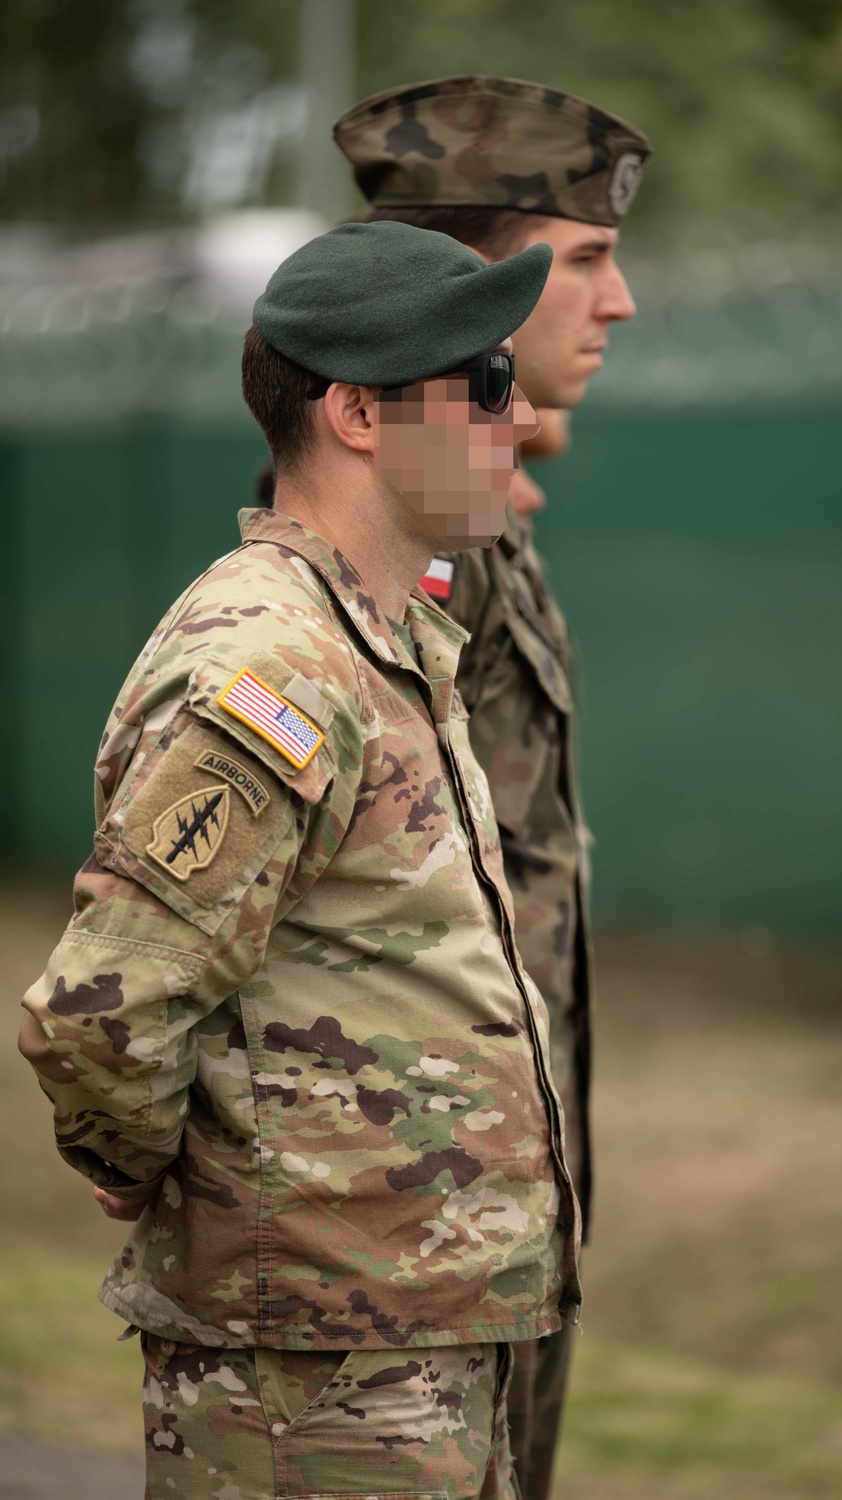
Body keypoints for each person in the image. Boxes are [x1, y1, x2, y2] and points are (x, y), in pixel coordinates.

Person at [19, 219, 582, 1500]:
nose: (524, 412)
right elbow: (104, 1016)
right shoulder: (271, 662)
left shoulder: (377, 640)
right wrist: (160, 1175)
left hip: (407, 1340)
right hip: (316, 1370)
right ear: (356, 415)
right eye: (486, 382)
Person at [335, 75, 649, 1499]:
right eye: (585, 260)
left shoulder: (470, 520)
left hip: (498, 1186)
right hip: (407, 1218)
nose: (623, 301)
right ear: (468, 290)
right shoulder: (378, 551)